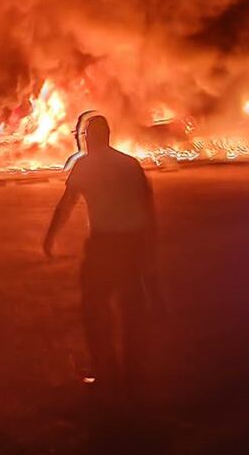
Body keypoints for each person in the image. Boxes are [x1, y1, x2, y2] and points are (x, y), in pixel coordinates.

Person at [42, 113, 161, 399]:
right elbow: (149, 207)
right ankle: (135, 373)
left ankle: (104, 372)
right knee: (132, 310)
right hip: (133, 243)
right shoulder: (131, 164)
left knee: (95, 310)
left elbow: (66, 204)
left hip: (104, 246)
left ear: (88, 138)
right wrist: (149, 248)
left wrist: (50, 238)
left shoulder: (85, 165)